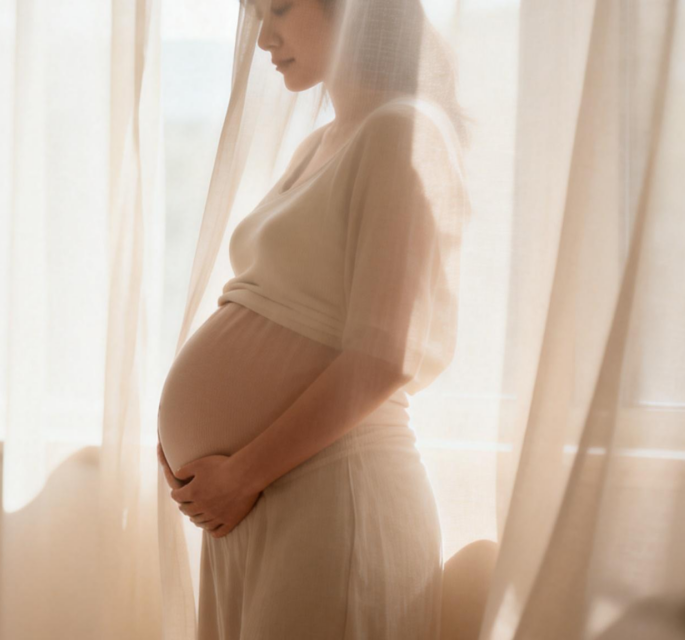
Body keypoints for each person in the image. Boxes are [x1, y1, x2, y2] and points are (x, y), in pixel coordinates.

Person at [154, 0, 471, 637]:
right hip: (263, 506)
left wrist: (239, 473)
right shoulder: (322, 142)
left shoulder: (403, 132)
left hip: (336, 500)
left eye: (278, 8)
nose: (261, 35)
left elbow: (386, 353)